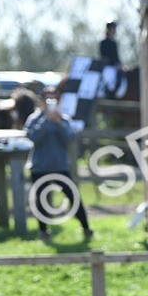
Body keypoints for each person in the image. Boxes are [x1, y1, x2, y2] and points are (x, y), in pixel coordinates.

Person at [25, 87, 92, 242]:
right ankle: (43, 231)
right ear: (41, 100)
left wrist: (59, 122)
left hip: (60, 166)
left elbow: (70, 139)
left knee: (74, 197)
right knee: (41, 201)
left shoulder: (64, 119)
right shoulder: (34, 118)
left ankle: (86, 229)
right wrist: (45, 121)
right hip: (39, 167)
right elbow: (33, 137)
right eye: (47, 98)